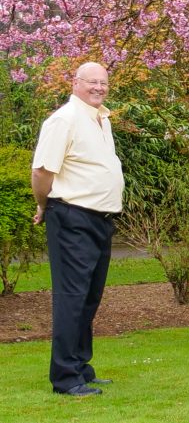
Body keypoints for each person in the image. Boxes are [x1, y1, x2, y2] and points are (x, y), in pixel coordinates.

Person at [31, 62, 125, 397]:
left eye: (103, 82)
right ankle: (66, 378)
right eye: (92, 82)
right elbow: (42, 171)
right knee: (72, 298)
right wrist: (44, 205)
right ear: (76, 83)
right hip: (72, 217)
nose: (99, 87)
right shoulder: (64, 120)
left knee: (89, 297)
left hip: (100, 220)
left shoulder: (101, 119)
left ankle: (81, 366)